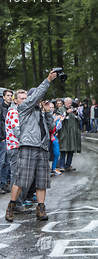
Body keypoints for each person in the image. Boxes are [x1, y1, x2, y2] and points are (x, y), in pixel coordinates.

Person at [5, 70, 56, 223]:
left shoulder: (40, 111)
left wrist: (47, 112)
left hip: (42, 147)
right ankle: (12, 206)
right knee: (21, 179)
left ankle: (41, 208)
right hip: (28, 146)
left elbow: (51, 126)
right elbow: (37, 94)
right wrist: (48, 79)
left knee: (42, 181)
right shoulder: (24, 108)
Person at [56, 98, 82, 172]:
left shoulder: (73, 109)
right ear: (64, 103)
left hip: (72, 133)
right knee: (63, 149)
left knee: (71, 149)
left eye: (70, 103)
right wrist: (66, 113)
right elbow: (59, 118)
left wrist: (76, 113)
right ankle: (61, 165)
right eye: (68, 103)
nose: (69, 105)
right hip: (64, 132)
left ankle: (68, 164)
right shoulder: (61, 110)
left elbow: (80, 119)